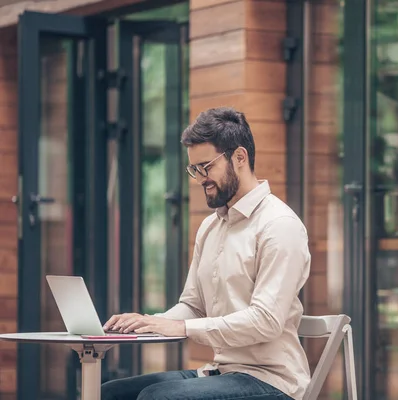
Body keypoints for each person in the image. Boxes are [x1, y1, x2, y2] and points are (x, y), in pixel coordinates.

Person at [101, 107, 311, 400]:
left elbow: (266, 321)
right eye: (194, 169)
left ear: (239, 157)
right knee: (110, 393)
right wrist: (146, 324)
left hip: (272, 381)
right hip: (221, 372)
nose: (199, 179)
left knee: (159, 397)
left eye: (206, 167)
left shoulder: (279, 226)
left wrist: (179, 327)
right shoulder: (210, 227)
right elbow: (193, 306)